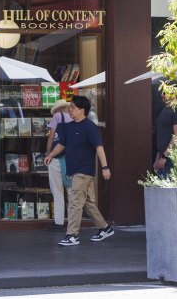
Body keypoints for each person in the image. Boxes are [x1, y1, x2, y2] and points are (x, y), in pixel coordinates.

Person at [44, 96, 113, 246]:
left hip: (84, 170)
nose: (70, 110)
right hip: (73, 169)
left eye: (73, 107)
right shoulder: (70, 126)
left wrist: (105, 167)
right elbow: (61, 144)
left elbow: (99, 147)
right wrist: (51, 155)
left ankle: (72, 235)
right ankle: (105, 228)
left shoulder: (89, 126)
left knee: (75, 200)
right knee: (87, 202)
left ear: (82, 110)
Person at [45, 99, 71, 231]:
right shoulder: (73, 118)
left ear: (57, 109)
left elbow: (51, 137)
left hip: (56, 157)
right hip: (70, 158)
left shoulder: (57, 116)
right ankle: (73, 221)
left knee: (58, 191)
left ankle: (59, 222)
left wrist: (48, 154)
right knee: (71, 190)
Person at [153, 91, 177, 177]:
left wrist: (164, 157)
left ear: (173, 93)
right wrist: (158, 158)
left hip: (173, 159)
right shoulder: (164, 110)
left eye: (164, 93)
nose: (161, 95)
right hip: (162, 158)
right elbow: (161, 136)